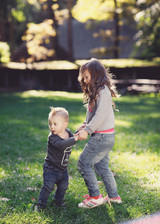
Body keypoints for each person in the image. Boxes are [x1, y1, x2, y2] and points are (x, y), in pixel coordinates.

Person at [76, 58, 122, 209]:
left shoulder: (103, 91)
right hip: (106, 136)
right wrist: (85, 124)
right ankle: (114, 197)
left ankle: (95, 197)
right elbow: (93, 113)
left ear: (96, 75)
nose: (84, 80)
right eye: (83, 77)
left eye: (87, 77)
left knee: (83, 163)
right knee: (102, 167)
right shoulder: (97, 91)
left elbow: (101, 114)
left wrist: (88, 130)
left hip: (101, 137)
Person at [35, 107, 78, 211]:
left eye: (55, 124)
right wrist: (75, 138)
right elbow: (61, 144)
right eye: (50, 124)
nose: (52, 127)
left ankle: (57, 202)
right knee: (48, 186)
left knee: (63, 187)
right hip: (50, 168)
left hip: (63, 169)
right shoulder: (52, 137)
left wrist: (79, 132)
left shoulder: (67, 133)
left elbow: (73, 139)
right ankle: (40, 205)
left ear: (65, 124)